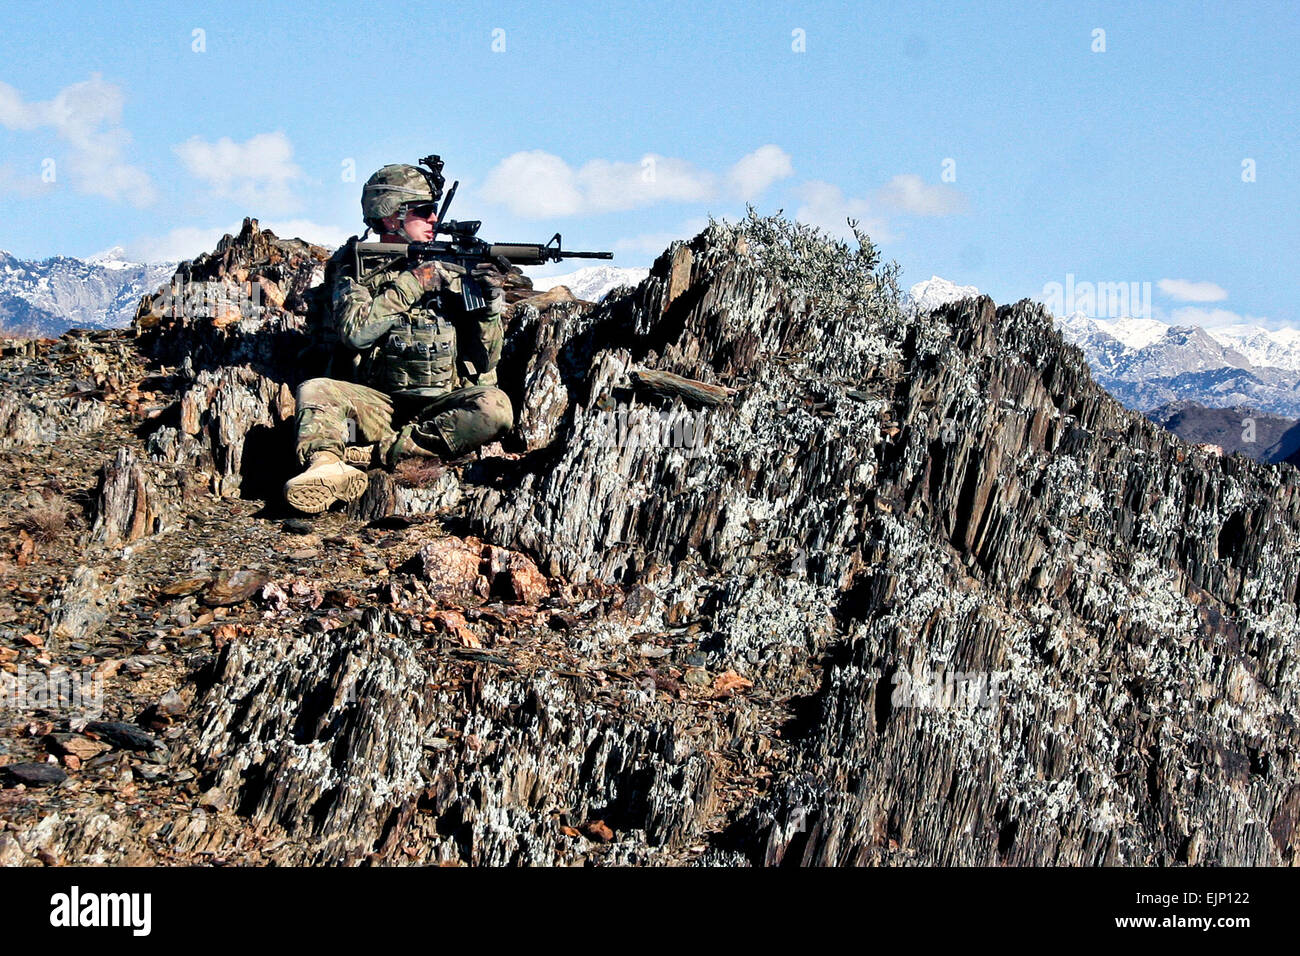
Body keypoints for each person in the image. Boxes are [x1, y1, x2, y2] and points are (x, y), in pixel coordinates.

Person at [282, 162, 513, 514]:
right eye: (423, 211)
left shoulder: (454, 270)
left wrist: (490, 307)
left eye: (434, 210)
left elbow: (485, 361)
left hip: (441, 405)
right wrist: (413, 283)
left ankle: (377, 453)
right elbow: (355, 333)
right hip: (377, 404)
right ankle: (325, 465)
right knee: (315, 390)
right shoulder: (353, 267)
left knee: (495, 408)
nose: (434, 219)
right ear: (391, 217)